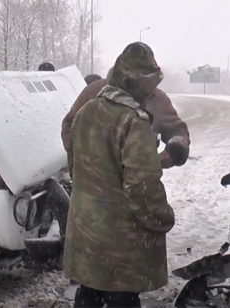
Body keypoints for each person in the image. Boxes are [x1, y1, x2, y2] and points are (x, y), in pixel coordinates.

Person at [63, 42, 176, 308]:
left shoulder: (85, 112)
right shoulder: (134, 122)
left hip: (87, 236)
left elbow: (75, 169)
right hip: (120, 252)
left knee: (88, 295)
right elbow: (143, 190)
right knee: (120, 299)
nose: (151, 94)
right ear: (138, 84)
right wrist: (164, 218)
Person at [61, 66, 190, 170]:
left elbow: (177, 129)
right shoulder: (93, 92)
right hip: (94, 184)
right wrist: (81, 156)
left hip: (139, 180)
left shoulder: (155, 98)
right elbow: (69, 124)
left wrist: (173, 152)